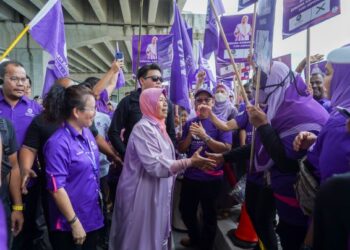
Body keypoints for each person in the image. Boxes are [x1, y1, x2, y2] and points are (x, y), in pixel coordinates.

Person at [207, 61, 329, 250]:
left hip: (298, 205)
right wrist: (225, 157)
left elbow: (287, 163)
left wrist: (263, 126)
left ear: (276, 82)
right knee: (263, 222)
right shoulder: (274, 107)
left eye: (261, 83)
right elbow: (258, 147)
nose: (256, 89)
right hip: (275, 188)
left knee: (281, 233)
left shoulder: (303, 113)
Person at [108, 88, 215, 250]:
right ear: (148, 103)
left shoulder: (159, 128)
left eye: (166, 101)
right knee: (140, 238)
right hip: (141, 193)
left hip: (155, 191)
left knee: (154, 234)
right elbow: (156, 166)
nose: (165, 104)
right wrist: (189, 162)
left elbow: (168, 159)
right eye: (160, 100)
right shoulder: (143, 129)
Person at [44, 85, 104, 249]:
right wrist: (74, 222)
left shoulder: (87, 133)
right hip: (69, 223)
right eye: (91, 108)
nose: (95, 113)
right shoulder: (58, 143)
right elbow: (56, 188)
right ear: (77, 112)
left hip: (91, 216)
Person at [177, 88, 232, 250]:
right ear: (194, 104)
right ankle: (195, 238)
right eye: (199, 100)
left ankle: (205, 246)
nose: (203, 103)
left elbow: (226, 149)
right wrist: (189, 135)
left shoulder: (222, 123)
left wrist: (204, 136)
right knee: (185, 211)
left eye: (206, 100)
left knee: (209, 215)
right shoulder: (189, 123)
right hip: (191, 177)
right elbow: (181, 149)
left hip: (212, 178)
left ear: (213, 103)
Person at [0, 60, 42, 249]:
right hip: (3, 183)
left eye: (23, 79)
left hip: (29, 180)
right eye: (14, 78)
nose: (20, 83)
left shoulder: (35, 109)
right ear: (2, 80)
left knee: (29, 229)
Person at [108, 63, 176, 159]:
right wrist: (126, 155)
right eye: (155, 78)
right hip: (134, 161)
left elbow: (171, 133)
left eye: (161, 79)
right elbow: (113, 132)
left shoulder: (167, 103)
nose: (158, 82)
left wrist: (168, 157)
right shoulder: (128, 102)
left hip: (160, 161)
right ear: (142, 80)